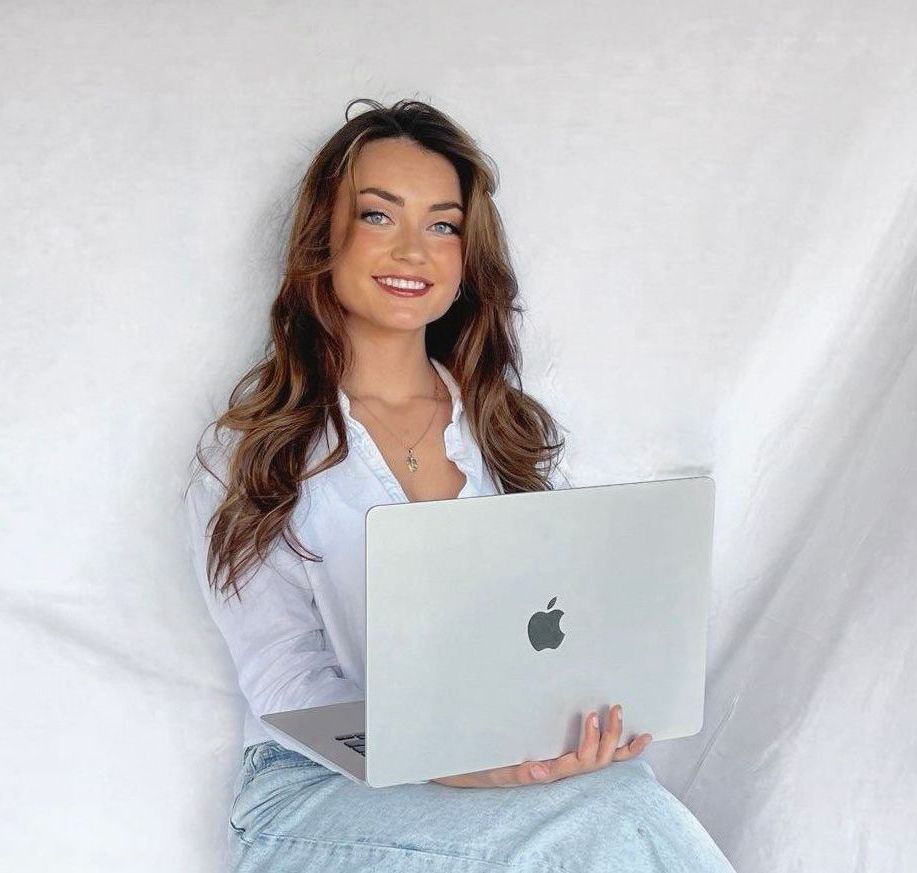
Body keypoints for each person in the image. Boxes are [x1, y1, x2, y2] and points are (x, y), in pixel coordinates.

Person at [182, 98, 736, 872]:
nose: (413, 249)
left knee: (616, 801)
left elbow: (545, 635)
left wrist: (566, 735)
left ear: (464, 259)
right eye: (379, 216)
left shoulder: (504, 431)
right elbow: (286, 681)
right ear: (323, 239)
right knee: (603, 825)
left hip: (490, 777)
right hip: (313, 794)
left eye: (442, 225)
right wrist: (449, 763)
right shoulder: (255, 450)